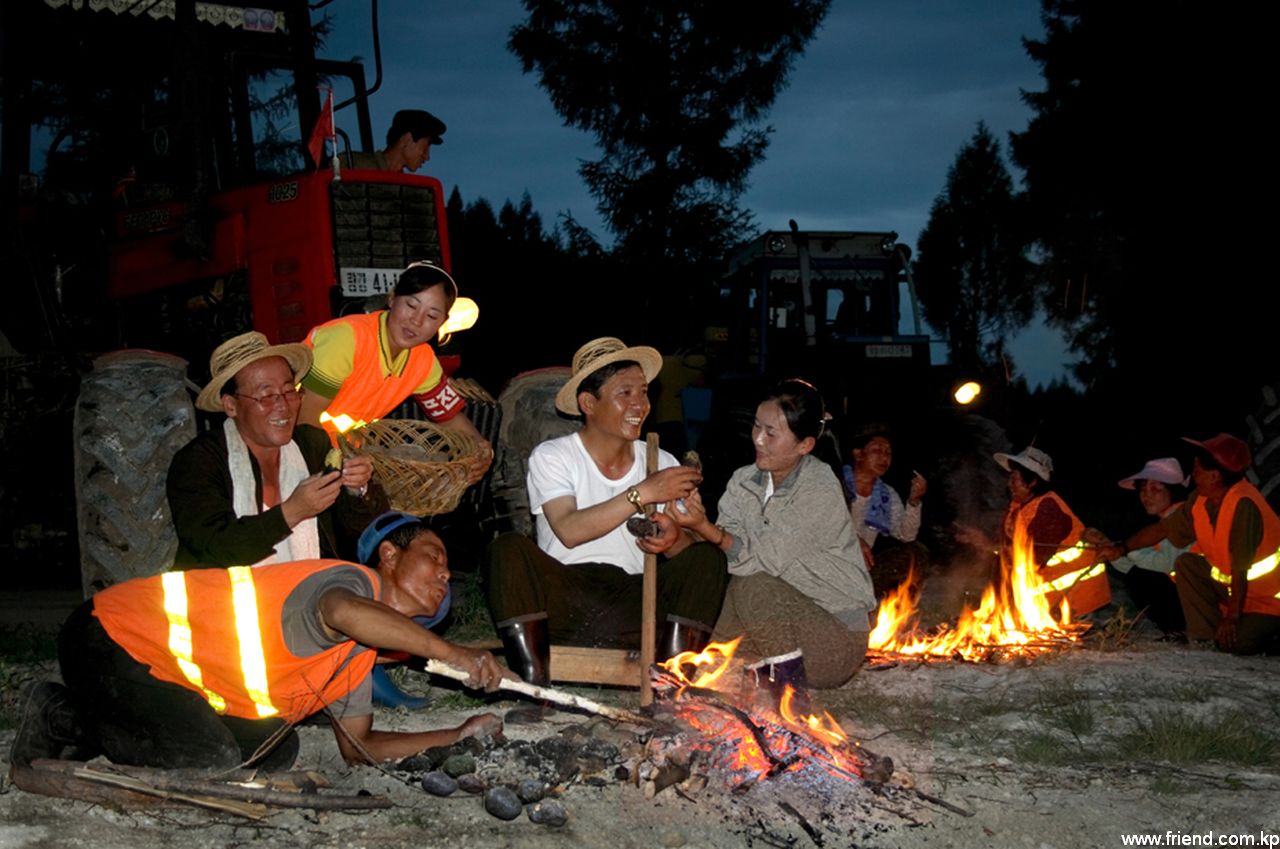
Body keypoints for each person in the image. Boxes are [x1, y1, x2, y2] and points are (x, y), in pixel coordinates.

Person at [9, 513, 507, 771]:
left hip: (165, 678)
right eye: (434, 554)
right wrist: (452, 653)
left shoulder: (356, 661)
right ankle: (60, 712)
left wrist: (458, 734)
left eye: (447, 567)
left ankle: (89, 727)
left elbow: (361, 747)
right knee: (207, 760)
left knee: (272, 750)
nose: (445, 571)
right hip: (111, 635)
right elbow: (345, 613)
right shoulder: (350, 582)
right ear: (390, 555)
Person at [481, 337, 729, 690]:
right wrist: (643, 492)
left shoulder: (661, 462)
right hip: (565, 600)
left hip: (634, 602)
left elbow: (681, 552)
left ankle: (671, 687)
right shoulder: (554, 455)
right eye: (624, 393)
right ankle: (533, 685)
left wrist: (673, 539)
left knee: (707, 558)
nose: (639, 404)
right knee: (506, 549)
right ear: (588, 403)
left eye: (643, 392)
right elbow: (568, 529)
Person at [675, 380, 876, 692]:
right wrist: (688, 525)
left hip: (835, 640)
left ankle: (787, 695)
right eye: (756, 427)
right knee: (712, 680)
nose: (758, 439)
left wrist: (705, 527)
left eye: (771, 433)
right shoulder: (743, 481)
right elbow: (730, 553)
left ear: (804, 445)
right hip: (773, 623)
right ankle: (700, 683)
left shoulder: (818, 487)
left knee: (751, 583)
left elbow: (757, 560)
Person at [168, 331, 385, 570]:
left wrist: (357, 490)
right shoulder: (198, 461)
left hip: (310, 588)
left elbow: (357, 536)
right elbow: (212, 547)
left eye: (289, 391)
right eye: (266, 395)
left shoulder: (312, 444)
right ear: (231, 406)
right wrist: (292, 511)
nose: (283, 406)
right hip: (226, 599)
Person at [298, 261, 491, 483]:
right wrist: (334, 470)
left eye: (431, 316)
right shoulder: (348, 338)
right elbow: (304, 418)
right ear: (391, 298)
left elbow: (449, 418)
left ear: (442, 323)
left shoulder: (423, 360)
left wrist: (482, 450)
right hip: (294, 445)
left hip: (345, 455)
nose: (416, 321)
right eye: (411, 305)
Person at [1104, 434, 1280, 654]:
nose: (1193, 473)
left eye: (1197, 469)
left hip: (1267, 602)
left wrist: (1232, 618)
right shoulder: (1201, 500)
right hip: (1232, 594)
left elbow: (1240, 568)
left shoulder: (1243, 505)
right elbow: (1162, 530)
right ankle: (1202, 638)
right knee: (1187, 563)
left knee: (1236, 644)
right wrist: (1122, 548)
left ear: (1214, 475)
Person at [954, 446, 1110, 616]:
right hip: (1046, 596)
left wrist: (989, 545)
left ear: (1032, 482)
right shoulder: (1020, 507)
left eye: (1014, 479)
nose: (1009, 484)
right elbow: (1008, 551)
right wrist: (984, 542)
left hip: (1073, 597)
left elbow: (1031, 557)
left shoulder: (1048, 508)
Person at [1082, 458, 1188, 637]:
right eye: (1143, 489)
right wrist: (1105, 544)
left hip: (1198, 601)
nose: (1147, 495)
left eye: (1156, 489)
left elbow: (1161, 564)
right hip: (1187, 598)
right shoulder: (1164, 521)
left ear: (1173, 491)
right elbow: (1137, 564)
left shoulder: (1182, 519)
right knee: (1137, 576)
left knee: (1140, 579)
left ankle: (1180, 629)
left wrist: (1121, 549)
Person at [843, 426, 928, 596]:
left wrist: (914, 501)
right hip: (827, 563)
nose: (884, 457)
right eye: (877, 450)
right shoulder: (834, 483)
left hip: (862, 570)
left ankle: (886, 607)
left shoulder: (886, 495)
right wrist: (852, 539)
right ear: (858, 454)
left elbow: (906, 536)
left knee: (915, 552)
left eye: (888, 453)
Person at [346, 109, 446, 173]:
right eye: (426, 145)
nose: (427, 156)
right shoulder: (352, 165)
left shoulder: (408, 189)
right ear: (407, 139)